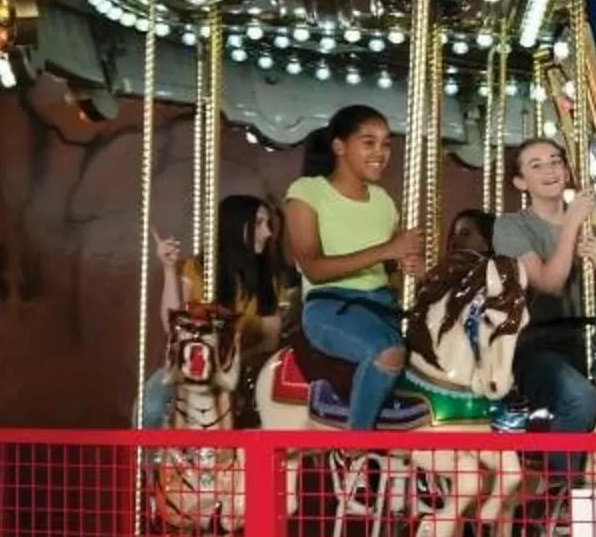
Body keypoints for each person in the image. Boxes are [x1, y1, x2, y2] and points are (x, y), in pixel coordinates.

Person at [282, 104, 422, 433]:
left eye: (386, 144)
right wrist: (387, 250)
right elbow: (313, 268)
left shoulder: (383, 200)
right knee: (386, 353)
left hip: (380, 307)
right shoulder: (308, 192)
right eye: (368, 142)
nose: (380, 152)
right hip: (330, 307)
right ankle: (355, 443)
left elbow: (393, 268)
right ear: (339, 146)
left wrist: (411, 265)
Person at [488, 138, 596, 464]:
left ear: (567, 171)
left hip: (589, 342)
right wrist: (570, 225)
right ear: (520, 182)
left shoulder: (592, 227)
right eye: (536, 165)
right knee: (582, 399)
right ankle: (560, 485)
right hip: (536, 344)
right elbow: (548, 284)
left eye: (556, 161)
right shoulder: (511, 226)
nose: (550, 170)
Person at [140, 194, 289, 429]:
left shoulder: (268, 278)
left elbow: (270, 340)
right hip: (195, 364)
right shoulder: (196, 269)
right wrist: (169, 270)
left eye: (268, 224)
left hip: (243, 366)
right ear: (235, 227)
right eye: (259, 224)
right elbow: (172, 326)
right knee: (151, 403)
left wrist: (229, 365)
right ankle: (147, 452)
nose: (268, 233)